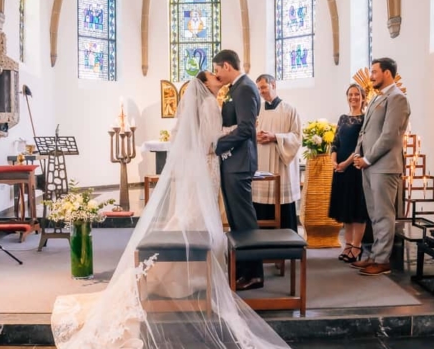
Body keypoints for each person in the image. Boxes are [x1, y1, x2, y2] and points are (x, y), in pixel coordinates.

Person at [50, 76, 290, 349]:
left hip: (201, 167)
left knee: (192, 217)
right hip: (209, 165)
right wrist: (237, 129)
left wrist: (231, 130)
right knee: (199, 218)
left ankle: (188, 273)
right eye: (213, 77)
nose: (217, 78)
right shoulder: (211, 103)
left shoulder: (204, 103)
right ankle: (190, 277)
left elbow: (196, 137)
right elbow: (211, 139)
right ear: (205, 84)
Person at [352, 57, 411, 276]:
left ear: (387, 73)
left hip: (384, 166)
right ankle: (376, 254)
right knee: (374, 213)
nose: (371, 76)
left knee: (384, 213)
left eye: (374, 72)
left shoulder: (398, 98)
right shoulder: (378, 99)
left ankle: (383, 260)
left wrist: (368, 159)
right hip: (370, 166)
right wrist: (359, 154)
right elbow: (365, 131)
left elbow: (389, 136)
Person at [213, 49, 264, 291]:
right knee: (235, 220)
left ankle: (254, 273)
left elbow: (246, 129)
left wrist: (216, 144)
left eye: (217, 70)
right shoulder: (236, 88)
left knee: (244, 220)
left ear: (226, 65)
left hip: (240, 162)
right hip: (231, 162)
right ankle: (242, 269)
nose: (216, 75)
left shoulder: (244, 88)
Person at [253, 74, 302, 231]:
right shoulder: (256, 110)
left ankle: (286, 248)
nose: (261, 91)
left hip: (281, 166)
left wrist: (275, 137)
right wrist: (255, 136)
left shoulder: (289, 110)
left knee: (282, 205)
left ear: (273, 85)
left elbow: (296, 137)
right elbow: (246, 132)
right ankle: (261, 249)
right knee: (260, 207)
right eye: (259, 88)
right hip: (260, 165)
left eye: (264, 87)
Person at [328, 83, 370, 263]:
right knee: (345, 207)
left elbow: (362, 145)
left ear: (362, 97)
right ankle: (347, 245)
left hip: (356, 168)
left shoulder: (366, 118)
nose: (353, 98)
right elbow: (336, 141)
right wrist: (333, 160)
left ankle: (357, 246)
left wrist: (346, 163)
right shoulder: (343, 118)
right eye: (350, 94)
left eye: (357, 95)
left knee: (357, 207)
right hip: (341, 168)